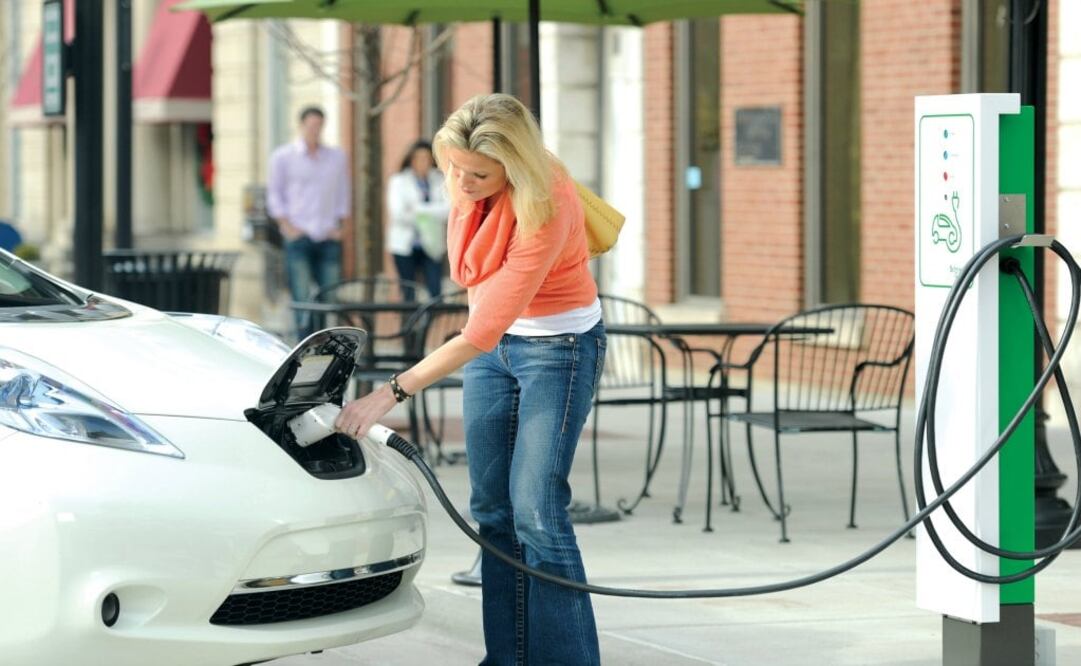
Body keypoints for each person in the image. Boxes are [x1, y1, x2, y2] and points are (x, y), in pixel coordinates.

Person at [334, 93, 605, 665]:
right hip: (495, 348)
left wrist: (391, 392)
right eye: (452, 167)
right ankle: (507, 658)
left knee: (536, 510)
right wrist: (465, 182)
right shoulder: (466, 180)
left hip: (559, 350)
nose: (460, 181)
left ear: (516, 166)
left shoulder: (549, 200)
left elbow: (478, 330)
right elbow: (480, 306)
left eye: (478, 173)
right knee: (492, 511)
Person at [267, 106, 350, 340]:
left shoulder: (336, 157)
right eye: (311, 125)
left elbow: (343, 193)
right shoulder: (283, 157)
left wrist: (342, 228)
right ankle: (304, 345)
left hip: (328, 235)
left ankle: (324, 344)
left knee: (329, 297)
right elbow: (275, 195)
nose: (315, 130)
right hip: (299, 236)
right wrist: (287, 227)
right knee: (302, 298)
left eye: (319, 125)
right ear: (301, 126)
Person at [386, 140, 450, 301]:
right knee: (408, 293)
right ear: (411, 159)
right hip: (405, 245)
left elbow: (448, 210)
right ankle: (410, 325)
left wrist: (417, 209)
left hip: (432, 244)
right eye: (418, 158)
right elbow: (399, 214)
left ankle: (427, 326)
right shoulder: (399, 181)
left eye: (426, 158)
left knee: (435, 292)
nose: (422, 162)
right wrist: (432, 211)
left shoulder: (439, 180)